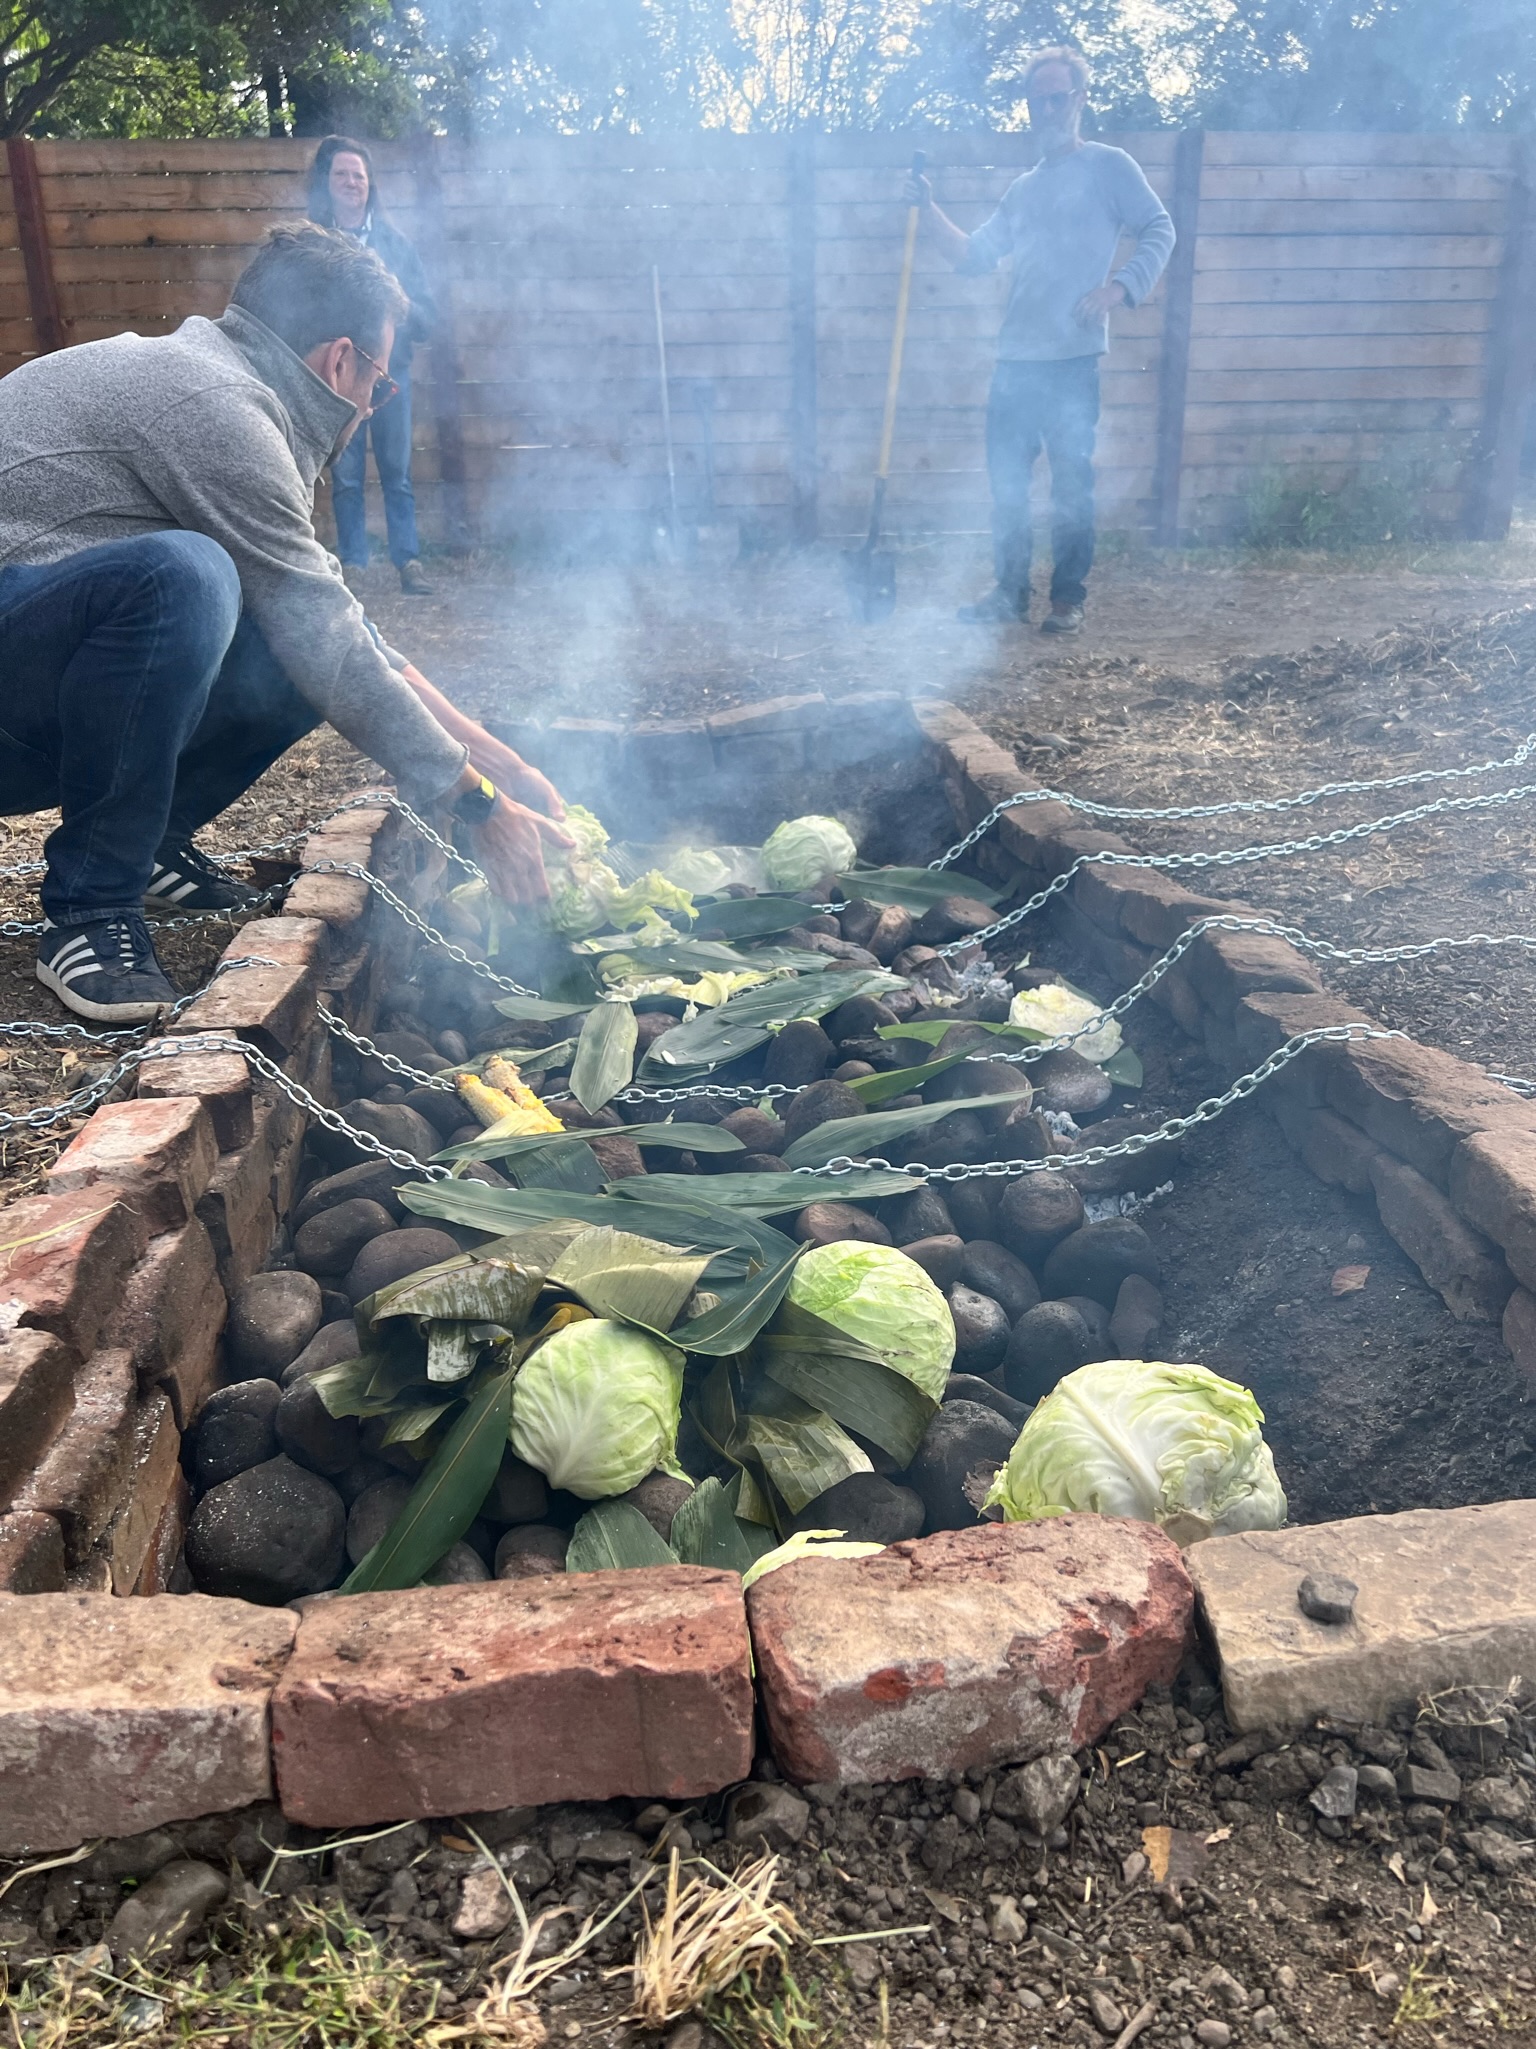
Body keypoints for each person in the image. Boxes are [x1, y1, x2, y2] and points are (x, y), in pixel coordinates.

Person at [0, 223, 571, 1024]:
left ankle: (151, 839)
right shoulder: (216, 406)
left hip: (29, 663)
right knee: (185, 578)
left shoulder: (228, 390)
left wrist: (504, 770)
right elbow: (330, 642)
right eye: (380, 378)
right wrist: (477, 806)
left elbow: (344, 636)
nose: (374, 404)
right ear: (342, 362)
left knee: (287, 639)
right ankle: (90, 910)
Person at [908, 47, 1175, 634]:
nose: (1049, 109)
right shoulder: (1022, 189)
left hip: (1073, 360)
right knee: (1007, 488)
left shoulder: (1109, 166)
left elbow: (1160, 227)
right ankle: (1008, 594)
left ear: (1080, 99)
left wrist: (1120, 289)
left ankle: (1067, 600)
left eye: (1059, 97)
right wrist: (926, 211)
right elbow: (973, 256)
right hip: (1015, 362)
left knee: (1073, 486)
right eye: (1038, 100)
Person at [307, 135, 436, 596]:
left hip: (390, 378)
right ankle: (355, 565)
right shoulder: (316, 244)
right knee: (345, 476)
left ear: (369, 185)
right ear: (326, 182)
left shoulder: (395, 246)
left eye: (358, 175)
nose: (350, 183)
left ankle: (409, 562)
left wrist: (397, 301)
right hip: (337, 379)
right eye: (341, 174)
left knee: (397, 474)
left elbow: (427, 317)